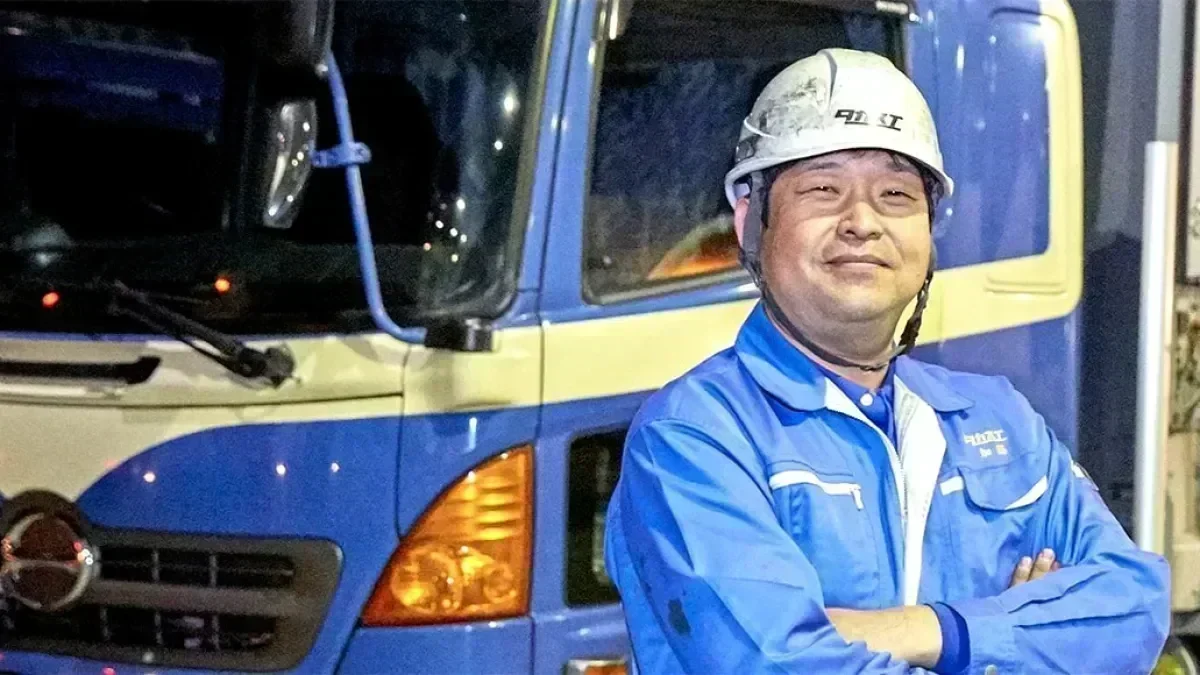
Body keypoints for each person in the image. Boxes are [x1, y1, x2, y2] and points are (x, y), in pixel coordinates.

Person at [603, 48, 1171, 674]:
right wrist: (1025, 634)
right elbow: (778, 665)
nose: (862, 222)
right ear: (749, 223)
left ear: (928, 234)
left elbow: (1133, 609)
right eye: (823, 189)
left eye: (896, 194)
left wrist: (931, 631)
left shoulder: (998, 420)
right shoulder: (694, 436)